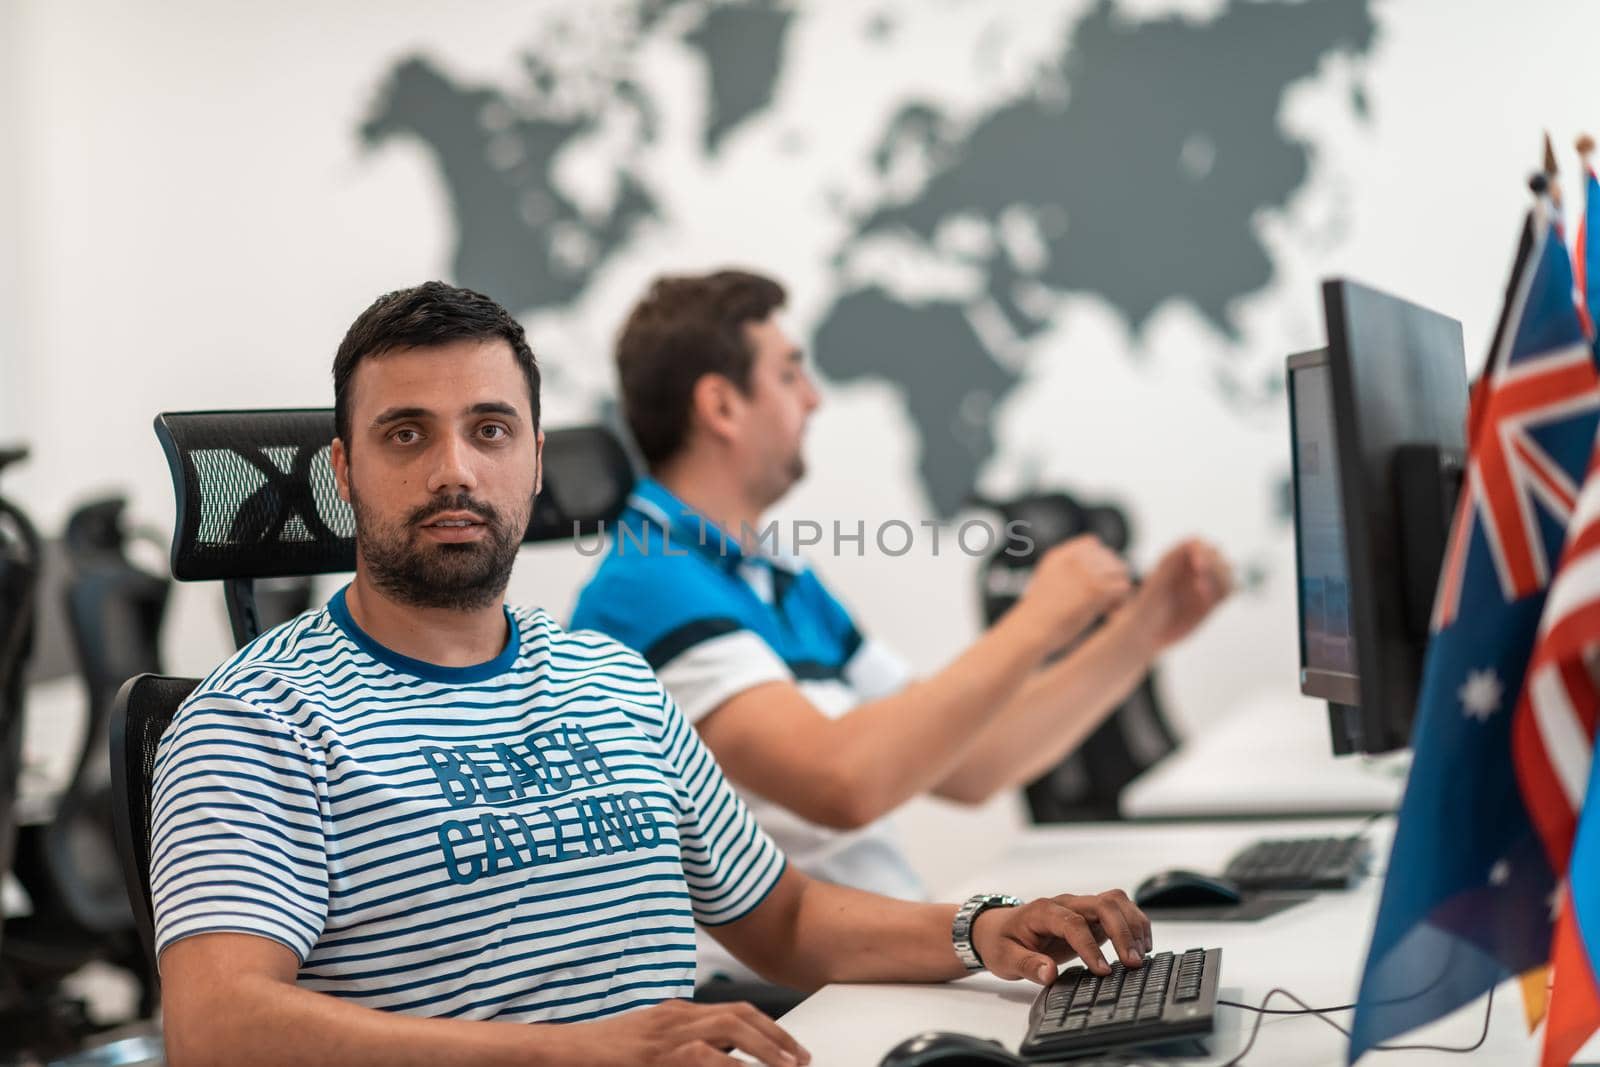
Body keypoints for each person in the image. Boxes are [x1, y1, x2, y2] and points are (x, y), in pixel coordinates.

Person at [149, 281, 1152, 1067]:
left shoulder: (611, 681)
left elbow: (787, 916)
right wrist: (578, 1053)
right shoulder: (255, 716)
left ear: (534, 461)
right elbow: (216, 1027)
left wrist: (987, 929)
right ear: (341, 472)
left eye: (489, 429)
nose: (453, 469)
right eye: (405, 433)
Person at [571, 270, 1231, 972]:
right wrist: (1040, 617)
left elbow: (972, 763)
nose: (814, 398)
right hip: (794, 1001)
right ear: (722, 406)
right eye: (791, 374)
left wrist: (1141, 632)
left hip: (881, 965)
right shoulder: (647, 583)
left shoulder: (774, 574)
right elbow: (843, 784)